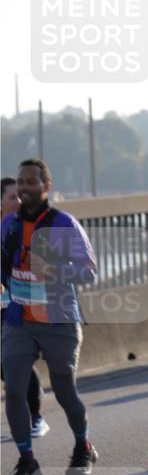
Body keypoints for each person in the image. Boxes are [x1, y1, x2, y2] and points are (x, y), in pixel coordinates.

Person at [2, 159, 98, 475]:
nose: (24, 187)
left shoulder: (63, 223)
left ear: (46, 186)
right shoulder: (9, 225)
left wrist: (55, 269)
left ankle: (83, 445)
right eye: (20, 181)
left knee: (65, 392)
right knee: (15, 391)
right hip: (19, 320)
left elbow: (89, 271)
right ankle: (27, 462)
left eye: (31, 181)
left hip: (58, 319)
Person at [0, 177, 47, 438]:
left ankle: (36, 416)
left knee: (18, 359)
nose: (18, 202)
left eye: (20, 196)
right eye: (12, 197)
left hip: (20, 305)